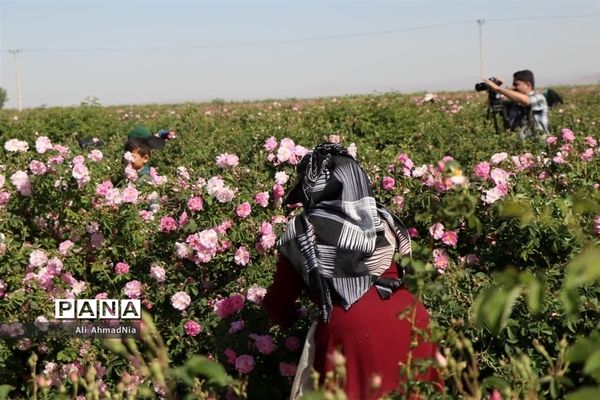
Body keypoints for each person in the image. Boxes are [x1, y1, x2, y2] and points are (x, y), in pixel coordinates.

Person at [262, 143, 442, 400]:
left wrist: (293, 320)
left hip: (353, 332)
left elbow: (278, 305)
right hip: (413, 320)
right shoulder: (383, 218)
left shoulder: (304, 229)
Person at [484, 69, 549, 141]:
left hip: (538, 144)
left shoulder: (539, 98)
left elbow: (526, 101)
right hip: (521, 146)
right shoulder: (514, 102)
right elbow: (493, 103)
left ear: (528, 85)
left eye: (516, 84)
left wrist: (498, 89)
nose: (513, 87)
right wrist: (493, 91)